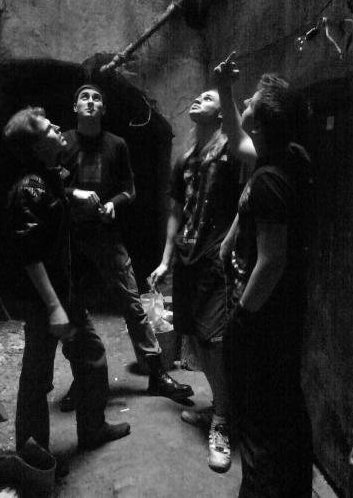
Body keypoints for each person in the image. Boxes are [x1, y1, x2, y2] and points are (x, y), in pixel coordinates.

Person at [3, 106, 130, 454]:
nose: (58, 127)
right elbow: (30, 256)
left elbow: (57, 192)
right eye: (48, 128)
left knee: (92, 358)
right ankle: (33, 456)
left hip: (67, 294)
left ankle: (92, 429)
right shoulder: (28, 190)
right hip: (45, 302)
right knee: (38, 378)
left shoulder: (49, 178)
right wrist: (54, 307)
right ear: (35, 147)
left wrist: (74, 195)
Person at [59, 84, 193, 412]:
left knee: (132, 303)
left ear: (103, 109)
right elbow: (51, 185)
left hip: (107, 235)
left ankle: (157, 373)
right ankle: (82, 378)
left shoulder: (116, 144)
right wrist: (74, 193)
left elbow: (129, 189)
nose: (91, 102)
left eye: (96, 98)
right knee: (75, 309)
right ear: (75, 107)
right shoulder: (64, 142)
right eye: (84, 97)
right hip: (71, 238)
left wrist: (113, 204)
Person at [214, 60, 314, 497]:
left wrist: (243, 319)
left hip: (265, 319)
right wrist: (224, 89)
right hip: (281, 314)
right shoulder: (287, 156)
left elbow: (271, 261)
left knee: (259, 421)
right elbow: (238, 137)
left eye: (250, 101)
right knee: (283, 408)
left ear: (261, 122)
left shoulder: (270, 179)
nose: (245, 102)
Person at [150, 88, 241, 473]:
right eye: (199, 96)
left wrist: (227, 91)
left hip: (214, 261)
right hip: (187, 262)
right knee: (197, 339)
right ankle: (221, 406)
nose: (198, 99)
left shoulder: (231, 151)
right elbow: (175, 211)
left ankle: (223, 420)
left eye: (208, 97)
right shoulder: (186, 158)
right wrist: (165, 260)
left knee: (214, 340)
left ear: (222, 113)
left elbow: (244, 199)